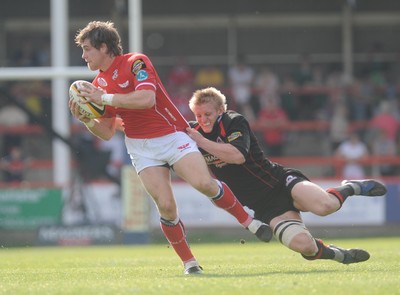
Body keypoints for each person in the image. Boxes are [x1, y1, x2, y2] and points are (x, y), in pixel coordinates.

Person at [68, 21, 271, 275]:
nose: (83, 55)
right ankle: (190, 263)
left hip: (173, 134)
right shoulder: (98, 84)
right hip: (141, 147)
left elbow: (147, 99)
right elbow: (107, 132)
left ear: (104, 47)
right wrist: (87, 120)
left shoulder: (135, 62)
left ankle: (249, 222)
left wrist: (103, 98)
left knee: (204, 184)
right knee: (165, 205)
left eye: (87, 49)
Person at [187, 87, 387, 265]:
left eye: (208, 114)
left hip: (281, 182)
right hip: (266, 207)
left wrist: (201, 142)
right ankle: (339, 255)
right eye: (198, 115)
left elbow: (237, 156)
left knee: (325, 206)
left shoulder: (233, 121)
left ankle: (351, 187)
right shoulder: (192, 133)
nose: (203, 120)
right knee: (305, 246)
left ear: (220, 111)